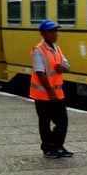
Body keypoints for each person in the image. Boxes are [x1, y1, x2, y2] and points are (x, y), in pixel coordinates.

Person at [30, 20, 73, 159]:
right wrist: (50, 91)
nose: (54, 34)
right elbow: (40, 72)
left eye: (55, 31)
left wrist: (64, 68)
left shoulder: (57, 48)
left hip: (57, 93)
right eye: (51, 31)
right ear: (43, 34)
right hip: (43, 94)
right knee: (45, 121)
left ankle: (57, 145)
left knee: (62, 121)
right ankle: (48, 148)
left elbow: (66, 65)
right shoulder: (38, 50)